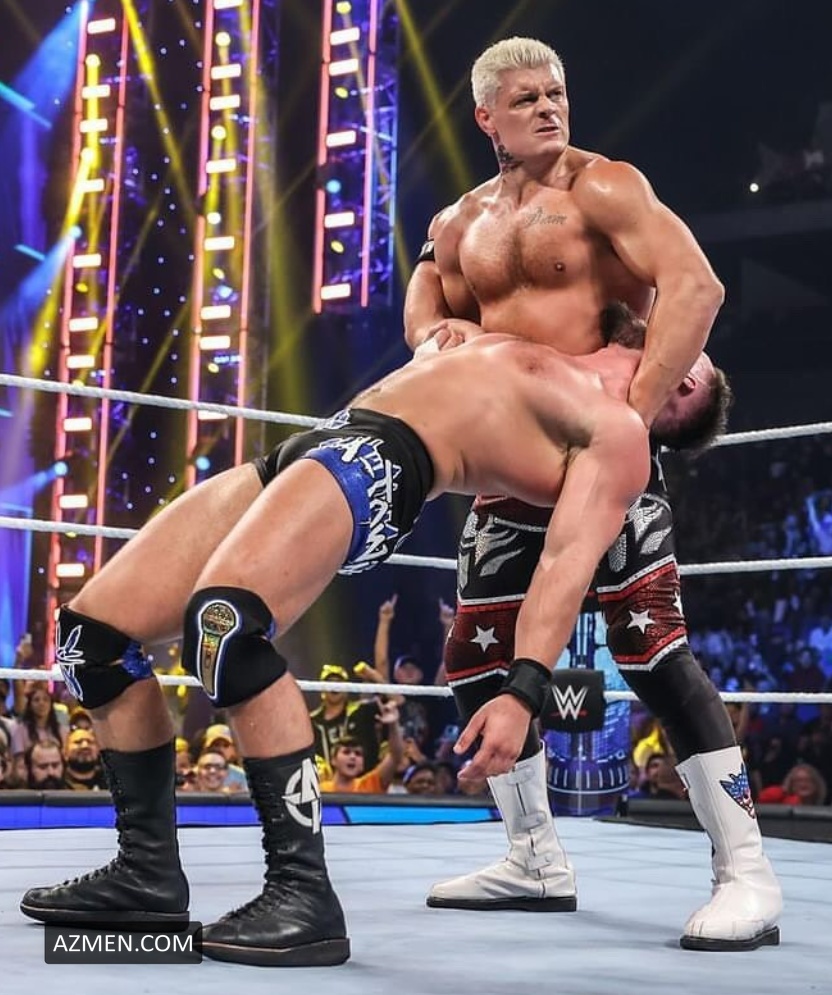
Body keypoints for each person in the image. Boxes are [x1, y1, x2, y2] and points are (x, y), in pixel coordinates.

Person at [21, 304, 721, 965]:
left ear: (688, 376)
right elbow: (437, 273)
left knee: (224, 626)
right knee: (91, 637)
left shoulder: (618, 434)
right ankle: (145, 871)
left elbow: (564, 564)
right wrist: (431, 311)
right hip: (322, 439)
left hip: (383, 463)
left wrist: (522, 691)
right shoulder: (555, 336)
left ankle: (302, 895)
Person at [403, 36, 781, 951]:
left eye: (557, 92)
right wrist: (441, 341)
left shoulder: (604, 187)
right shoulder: (460, 222)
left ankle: (747, 871)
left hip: (600, 451)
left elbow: (696, 285)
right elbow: (427, 309)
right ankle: (533, 856)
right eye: (525, 98)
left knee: (653, 652)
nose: (548, 107)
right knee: (473, 658)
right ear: (486, 117)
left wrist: (630, 420)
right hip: (511, 467)